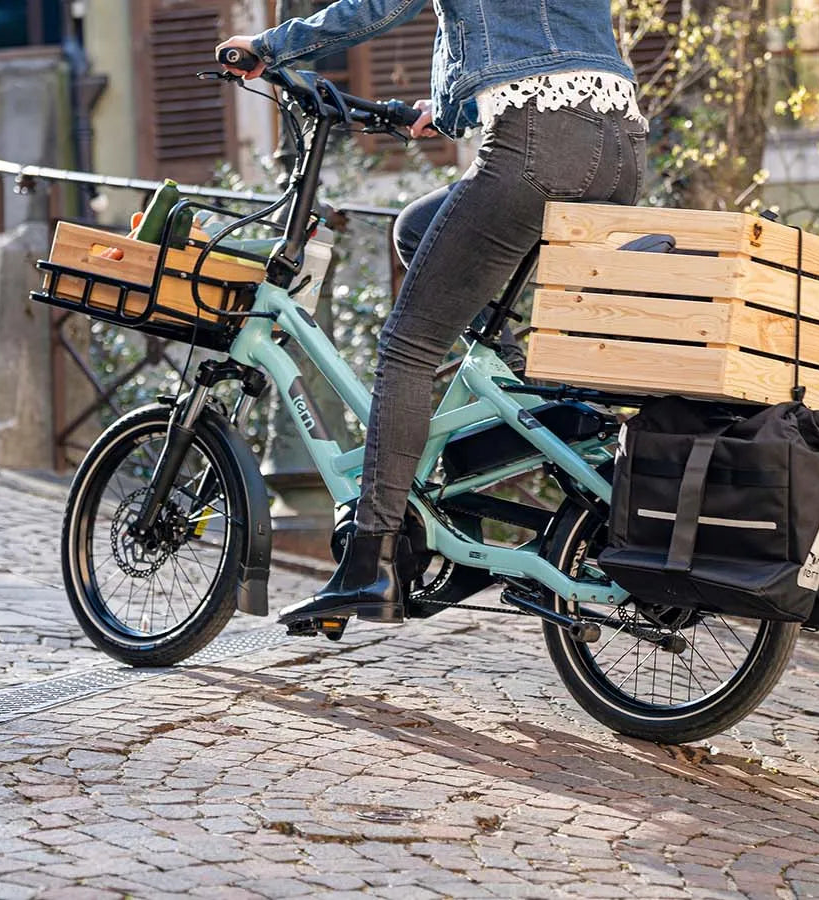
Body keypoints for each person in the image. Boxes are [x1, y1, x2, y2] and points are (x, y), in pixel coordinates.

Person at [218, 1, 647, 631]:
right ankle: (475, 471)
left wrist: (268, 47)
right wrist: (446, 113)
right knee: (417, 228)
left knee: (408, 350)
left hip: (537, 143)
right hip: (621, 147)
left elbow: (378, 6)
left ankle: (372, 560)